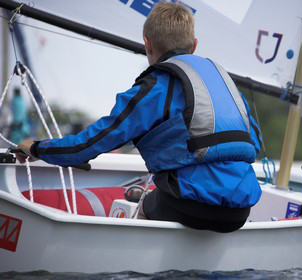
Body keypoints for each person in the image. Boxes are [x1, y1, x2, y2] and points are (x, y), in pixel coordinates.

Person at [16, 2, 262, 233]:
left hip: (189, 208)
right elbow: (255, 143)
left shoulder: (153, 89)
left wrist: (36, 148)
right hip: (239, 212)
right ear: (194, 45)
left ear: (147, 44)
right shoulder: (227, 86)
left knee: (145, 204)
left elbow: (86, 146)